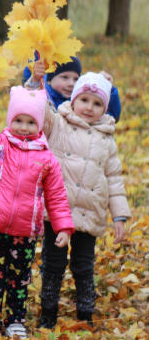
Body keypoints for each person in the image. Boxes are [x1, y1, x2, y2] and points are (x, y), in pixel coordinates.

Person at [0, 83, 74, 340]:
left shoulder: (47, 158)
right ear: (10, 119)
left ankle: (15, 320)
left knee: (19, 279)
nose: (24, 127)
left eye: (30, 122)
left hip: (25, 232)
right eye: (18, 120)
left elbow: (57, 196)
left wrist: (62, 226)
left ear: (39, 125)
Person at [32, 71, 131, 328]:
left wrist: (119, 215)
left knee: (83, 265)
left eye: (97, 103)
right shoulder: (59, 123)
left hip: (90, 211)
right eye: (84, 100)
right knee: (53, 263)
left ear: (104, 108)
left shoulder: (107, 140)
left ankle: (85, 313)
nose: (89, 108)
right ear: (73, 100)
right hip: (58, 211)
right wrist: (34, 84)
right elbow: (38, 113)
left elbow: (114, 179)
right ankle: (48, 311)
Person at [24, 57, 121, 122]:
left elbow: (111, 117)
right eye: (64, 77)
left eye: (76, 79)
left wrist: (109, 90)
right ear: (49, 80)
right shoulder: (43, 96)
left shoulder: (82, 102)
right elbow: (32, 101)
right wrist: (35, 78)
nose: (71, 83)